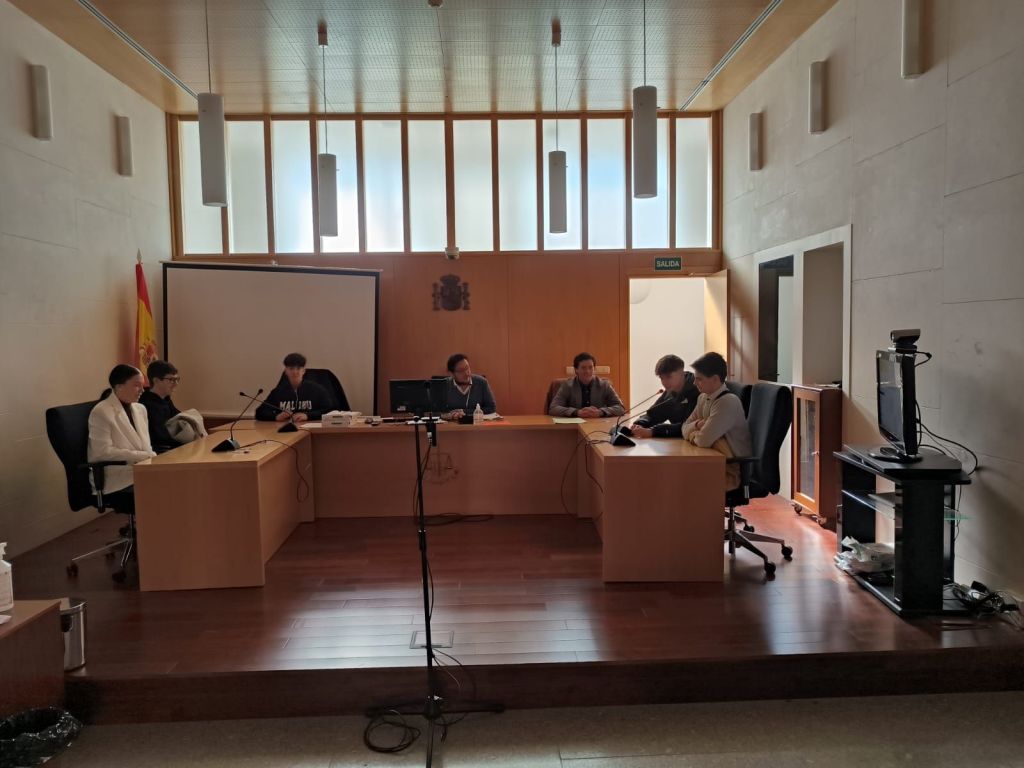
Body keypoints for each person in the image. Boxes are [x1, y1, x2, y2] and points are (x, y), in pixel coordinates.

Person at [87, 364, 157, 510]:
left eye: (142, 385)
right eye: (136, 385)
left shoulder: (140, 409)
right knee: (164, 490)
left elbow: (145, 445)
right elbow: (101, 452)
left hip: (142, 470)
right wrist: (142, 456)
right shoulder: (101, 412)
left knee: (177, 481)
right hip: (117, 476)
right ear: (119, 386)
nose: (142, 390)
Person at [682, 352, 752, 489]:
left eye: (699, 379)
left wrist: (693, 433)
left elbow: (703, 440)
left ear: (715, 379)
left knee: (683, 483)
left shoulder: (727, 402)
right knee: (679, 477)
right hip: (714, 462)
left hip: (731, 470)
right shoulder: (703, 398)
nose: (694, 383)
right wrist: (698, 424)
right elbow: (684, 428)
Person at [628, 354, 700, 438]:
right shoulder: (671, 391)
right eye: (661, 378)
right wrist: (639, 424)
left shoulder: (698, 390)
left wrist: (653, 431)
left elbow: (688, 426)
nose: (664, 382)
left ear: (681, 373)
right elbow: (652, 414)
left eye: (669, 377)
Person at [255, 353, 335, 423]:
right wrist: (276, 417)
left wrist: (308, 415)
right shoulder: (278, 392)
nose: (295, 372)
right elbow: (259, 412)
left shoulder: (317, 390)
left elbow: (330, 410)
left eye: (298, 368)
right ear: (286, 371)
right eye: (291, 368)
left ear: (303, 371)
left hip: (310, 427)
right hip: (284, 430)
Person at [548, 353, 625, 418]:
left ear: (594, 369)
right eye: (583, 368)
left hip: (598, 425)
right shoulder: (567, 385)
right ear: (576, 370)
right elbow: (553, 408)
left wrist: (600, 412)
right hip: (575, 426)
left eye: (590, 367)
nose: (587, 371)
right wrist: (577, 412)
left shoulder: (604, 385)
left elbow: (620, 408)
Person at [139, 360, 181, 453]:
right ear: (156, 381)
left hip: (171, 448)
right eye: (171, 380)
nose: (176, 384)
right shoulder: (145, 404)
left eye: (177, 379)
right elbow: (160, 438)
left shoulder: (166, 399)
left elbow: (179, 419)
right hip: (159, 452)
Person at [441, 353, 496, 420]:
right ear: (451, 374)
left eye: (467, 368)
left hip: (476, 424)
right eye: (461, 371)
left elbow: (491, 408)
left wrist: (464, 412)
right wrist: (451, 415)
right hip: (451, 424)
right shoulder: (444, 385)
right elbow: (434, 412)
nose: (467, 373)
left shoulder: (481, 382)